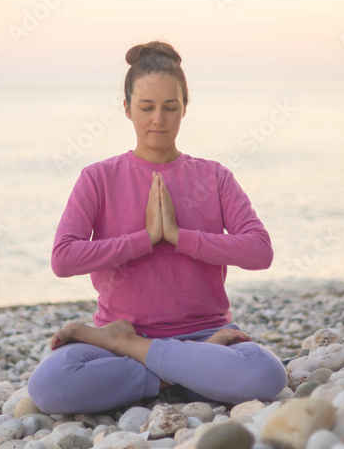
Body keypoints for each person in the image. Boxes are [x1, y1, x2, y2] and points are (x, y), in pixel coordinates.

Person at [27, 41, 288, 414]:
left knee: (266, 374)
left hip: (200, 334)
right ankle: (176, 373)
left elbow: (260, 251)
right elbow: (63, 258)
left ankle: (136, 356)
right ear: (127, 109)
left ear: (186, 107)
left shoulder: (213, 176)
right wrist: (145, 239)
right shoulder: (98, 178)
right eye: (146, 107)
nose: (158, 120)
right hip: (123, 331)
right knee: (50, 386)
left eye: (170, 107)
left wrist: (180, 238)